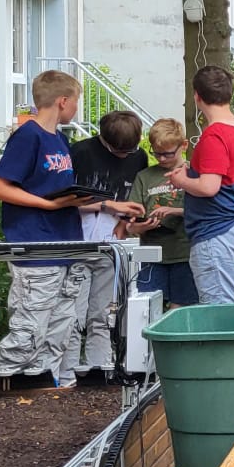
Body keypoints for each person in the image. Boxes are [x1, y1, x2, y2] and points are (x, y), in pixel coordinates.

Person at [0, 69, 96, 389]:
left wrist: (102, 204)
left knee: (60, 329)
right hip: (36, 248)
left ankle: (43, 392)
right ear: (63, 101)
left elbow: (56, 192)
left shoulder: (60, 140)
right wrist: (47, 205)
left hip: (65, 246)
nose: (77, 108)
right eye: (76, 101)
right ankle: (9, 389)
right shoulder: (28, 136)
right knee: (29, 328)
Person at [67, 109, 147, 385]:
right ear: (103, 138)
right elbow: (63, 201)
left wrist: (125, 224)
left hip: (113, 244)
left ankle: (98, 371)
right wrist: (108, 205)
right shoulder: (79, 153)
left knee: (103, 313)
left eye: (130, 150)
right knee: (72, 314)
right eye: (117, 150)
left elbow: (137, 199)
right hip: (76, 242)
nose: (124, 155)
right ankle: (67, 373)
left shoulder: (138, 157)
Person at [165, 65, 234, 305]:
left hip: (216, 232)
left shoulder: (214, 136)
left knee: (219, 313)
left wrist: (181, 180)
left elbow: (209, 187)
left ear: (197, 96)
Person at [121, 119, 197, 307]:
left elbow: (205, 212)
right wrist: (140, 226)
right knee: (147, 307)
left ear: (184, 146)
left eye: (168, 154)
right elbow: (131, 222)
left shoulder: (194, 173)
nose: (162, 159)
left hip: (184, 253)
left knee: (180, 308)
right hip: (151, 255)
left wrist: (175, 211)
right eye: (157, 153)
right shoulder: (144, 177)